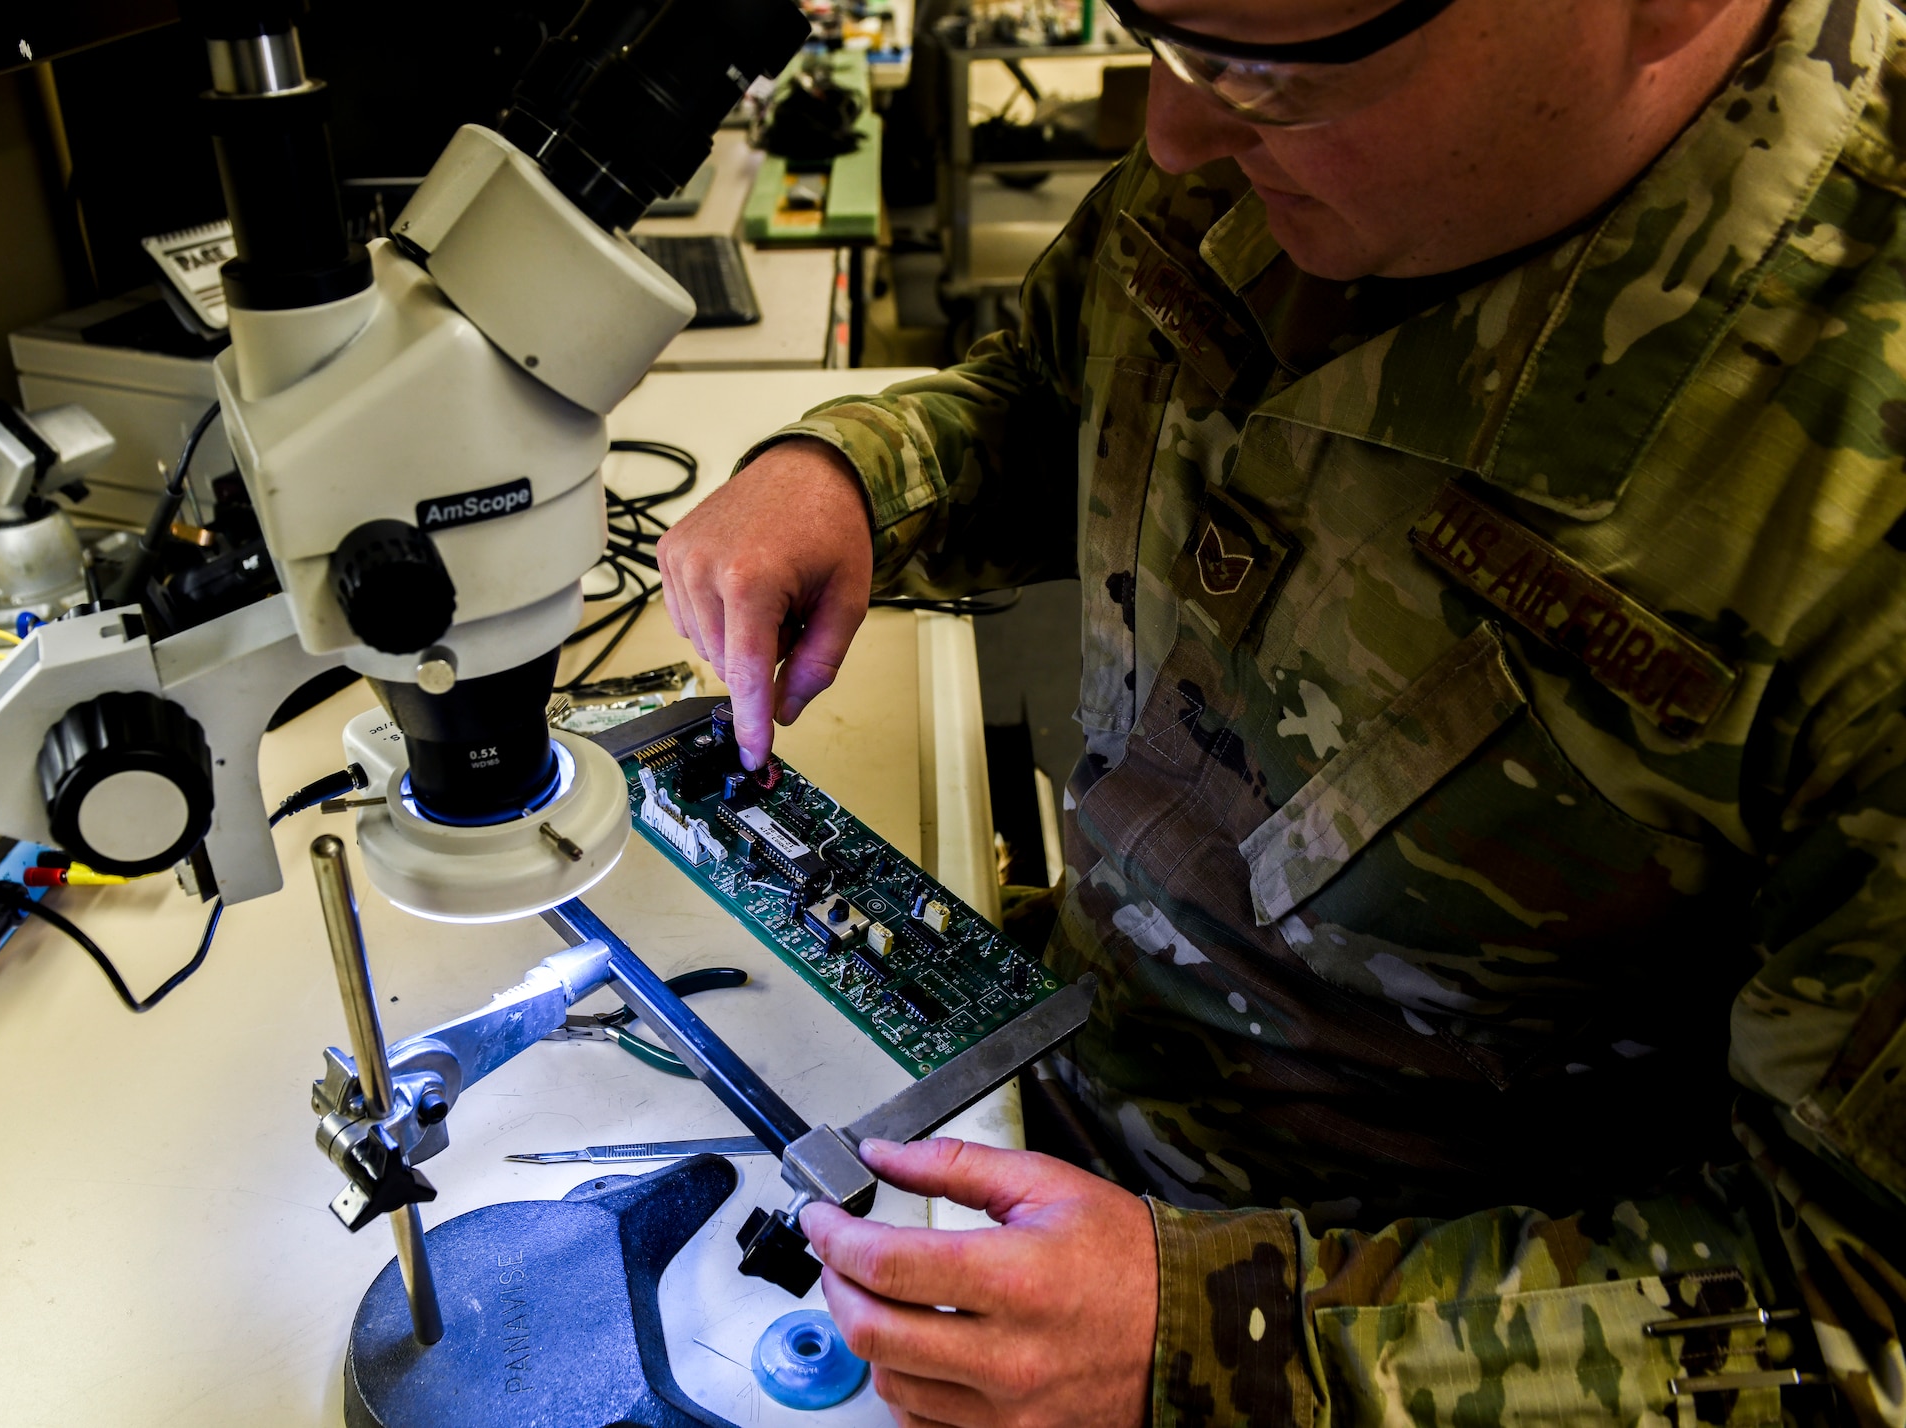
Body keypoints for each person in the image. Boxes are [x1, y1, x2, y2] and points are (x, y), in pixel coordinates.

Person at [658, 0, 1906, 1422]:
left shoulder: (1860, 493)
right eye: (1159, 33)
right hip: (1052, 1079)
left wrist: (1232, 1342)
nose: (1171, 130)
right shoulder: (1262, 98)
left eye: (1268, 73)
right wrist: (860, 473)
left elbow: (1862, 1317)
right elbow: (1066, 389)